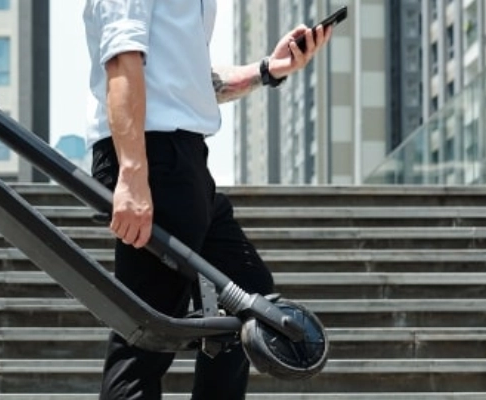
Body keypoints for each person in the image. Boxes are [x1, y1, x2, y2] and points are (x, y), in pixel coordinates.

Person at [83, 1, 333, 398]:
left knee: (249, 292)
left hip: (183, 159)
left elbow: (193, 83)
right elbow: (121, 60)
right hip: (152, 156)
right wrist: (132, 174)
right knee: (145, 340)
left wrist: (269, 68)